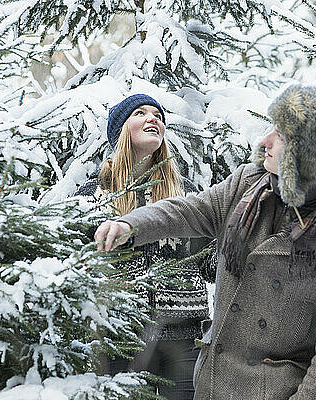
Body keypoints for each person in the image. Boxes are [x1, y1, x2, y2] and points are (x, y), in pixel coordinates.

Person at [93, 85, 316, 400]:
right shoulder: (246, 185)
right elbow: (189, 210)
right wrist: (131, 223)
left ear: (305, 155)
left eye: (279, 136)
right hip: (214, 381)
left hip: (271, 391)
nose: (263, 141)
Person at [75, 94, 212, 400]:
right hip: (118, 339)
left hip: (183, 341)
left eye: (158, 116)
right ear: (121, 130)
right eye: (140, 113)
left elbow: (212, 263)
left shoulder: (186, 195)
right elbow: (76, 269)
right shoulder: (93, 196)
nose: (153, 119)